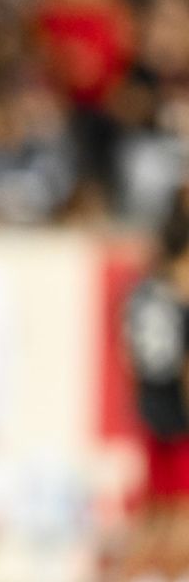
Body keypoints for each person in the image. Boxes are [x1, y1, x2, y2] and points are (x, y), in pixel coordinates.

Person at [119, 182, 189, 580]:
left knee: (156, 509)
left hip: (152, 407)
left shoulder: (145, 289)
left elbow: (129, 352)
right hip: (179, 412)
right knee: (180, 513)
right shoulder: (181, 290)